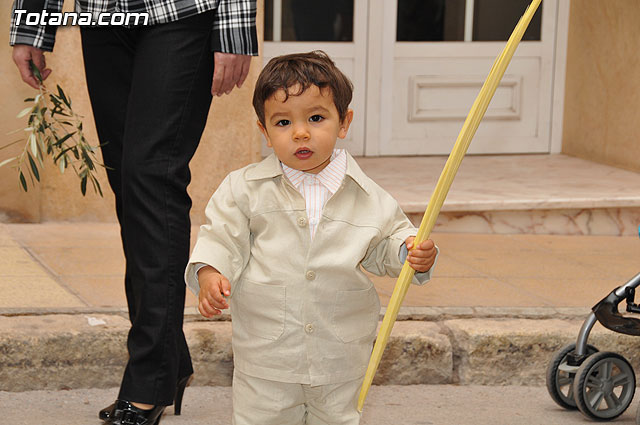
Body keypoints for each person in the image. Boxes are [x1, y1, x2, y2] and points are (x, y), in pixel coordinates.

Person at [10, 1, 257, 423]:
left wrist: (234, 26)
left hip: (181, 13)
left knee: (151, 175)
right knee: (128, 181)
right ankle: (169, 358)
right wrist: (32, 24)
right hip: (103, 17)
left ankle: (149, 379)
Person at [185, 51, 439, 425]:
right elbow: (221, 237)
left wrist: (410, 253)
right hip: (267, 357)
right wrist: (210, 273)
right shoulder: (243, 190)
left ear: (343, 122)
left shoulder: (368, 195)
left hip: (340, 355)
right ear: (265, 132)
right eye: (283, 122)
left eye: (316, 118)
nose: (301, 132)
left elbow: (389, 243)